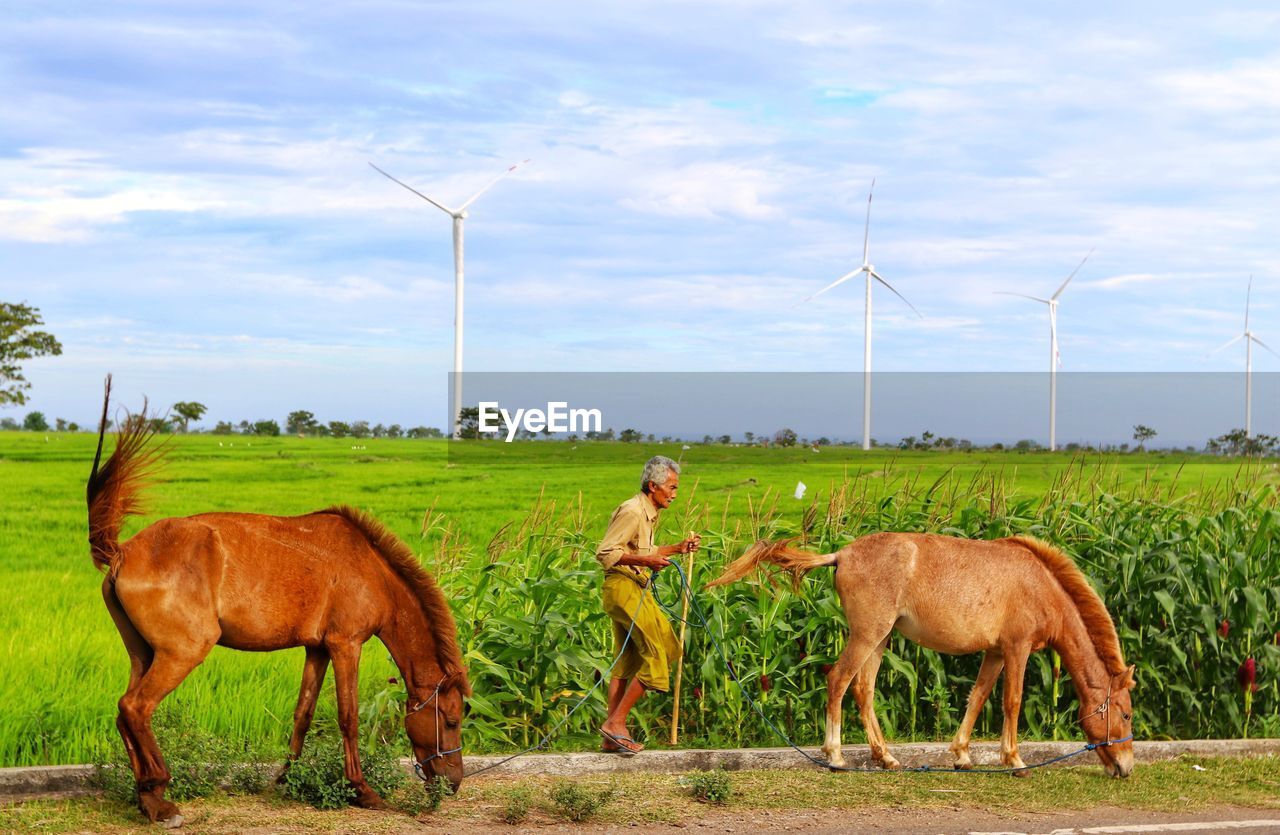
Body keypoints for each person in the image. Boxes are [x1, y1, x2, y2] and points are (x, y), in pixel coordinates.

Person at [595, 455, 701, 755]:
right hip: (623, 586)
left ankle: (610, 737)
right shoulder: (632, 511)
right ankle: (616, 723)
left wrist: (677, 548)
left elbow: (644, 549)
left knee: (627, 661)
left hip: (631, 587)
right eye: (671, 487)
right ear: (652, 485)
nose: (674, 494)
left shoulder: (648, 513)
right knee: (659, 649)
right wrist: (645, 561)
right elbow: (605, 552)